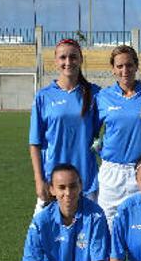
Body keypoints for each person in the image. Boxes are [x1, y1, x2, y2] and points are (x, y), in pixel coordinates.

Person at [29, 38, 100, 215]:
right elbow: (35, 143)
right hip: (53, 181)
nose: (68, 62)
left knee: (85, 237)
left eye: (73, 57)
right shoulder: (43, 97)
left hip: (85, 179)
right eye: (63, 57)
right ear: (55, 61)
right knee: (43, 235)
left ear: (81, 59)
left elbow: (120, 106)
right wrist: (39, 181)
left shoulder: (96, 94)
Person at [95, 45, 141, 226]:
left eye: (129, 65)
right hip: (111, 173)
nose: (125, 70)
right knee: (107, 227)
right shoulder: (103, 97)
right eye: (120, 66)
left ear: (136, 66)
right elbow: (92, 133)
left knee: (140, 227)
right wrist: (100, 150)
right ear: (113, 69)